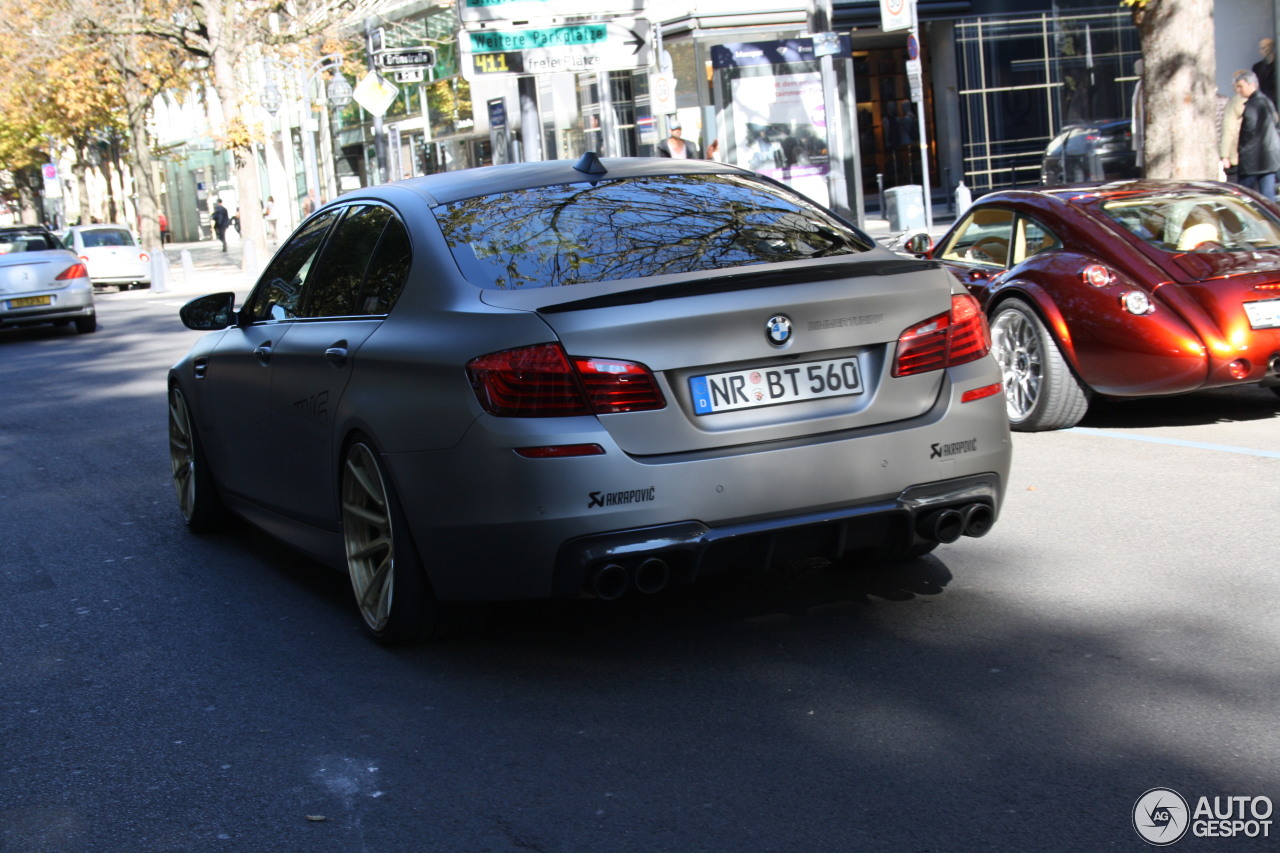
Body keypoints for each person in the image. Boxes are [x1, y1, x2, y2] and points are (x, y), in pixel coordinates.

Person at [1230, 69, 1280, 200]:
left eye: (1241, 86)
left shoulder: (1253, 104)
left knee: (1243, 197)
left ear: (1251, 84)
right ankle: (1271, 220)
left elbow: (1248, 130)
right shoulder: (1266, 101)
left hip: (1253, 160)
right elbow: (1275, 123)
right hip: (1269, 159)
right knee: (1268, 197)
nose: (1238, 90)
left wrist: (1242, 150)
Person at [1254, 38, 1276, 105]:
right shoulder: (1257, 67)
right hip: (1263, 103)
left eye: (1264, 48)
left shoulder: (1277, 66)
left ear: (1271, 47)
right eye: (1260, 48)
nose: (1261, 51)